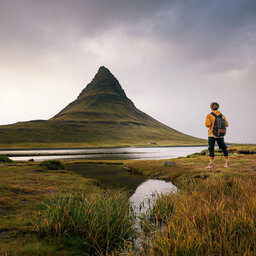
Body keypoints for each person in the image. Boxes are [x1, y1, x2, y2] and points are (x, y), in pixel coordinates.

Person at [205, 102, 230, 169]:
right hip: (220, 134)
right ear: (218, 107)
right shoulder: (222, 115)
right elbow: (227, 124)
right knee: (224, 148)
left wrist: (212, 123)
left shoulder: (209, 115)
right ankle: (227, 163)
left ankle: (211, 164)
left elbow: (207, 124)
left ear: (211, 107)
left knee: (211, 149)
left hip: (212, 134)